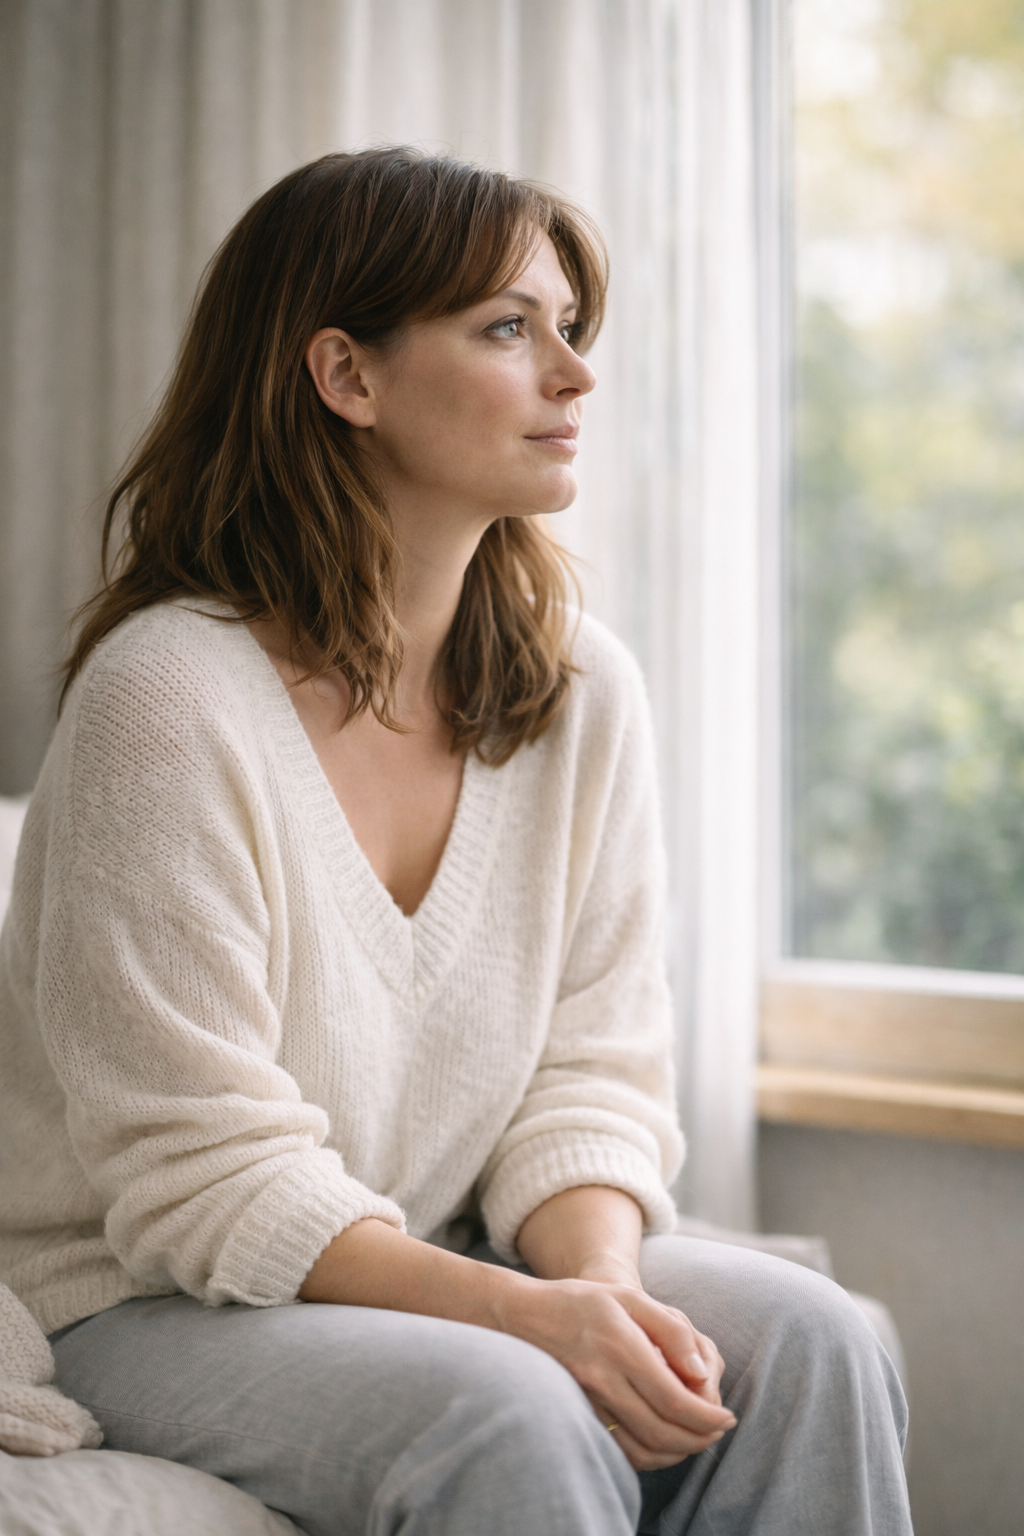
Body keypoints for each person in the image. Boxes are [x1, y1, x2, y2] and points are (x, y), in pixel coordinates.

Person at [0, 148, 911, 1536]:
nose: (574, 374)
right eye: (508, 328)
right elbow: (200, 1179)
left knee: (817, 1341)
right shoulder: (165, 700)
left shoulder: (582, 694)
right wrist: (523, 1324)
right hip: (136, 1296)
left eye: (570, 328)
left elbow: (590, 1081)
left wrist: (595, 1293)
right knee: (508, 1402)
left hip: (425, 1249)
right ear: (345, 376)